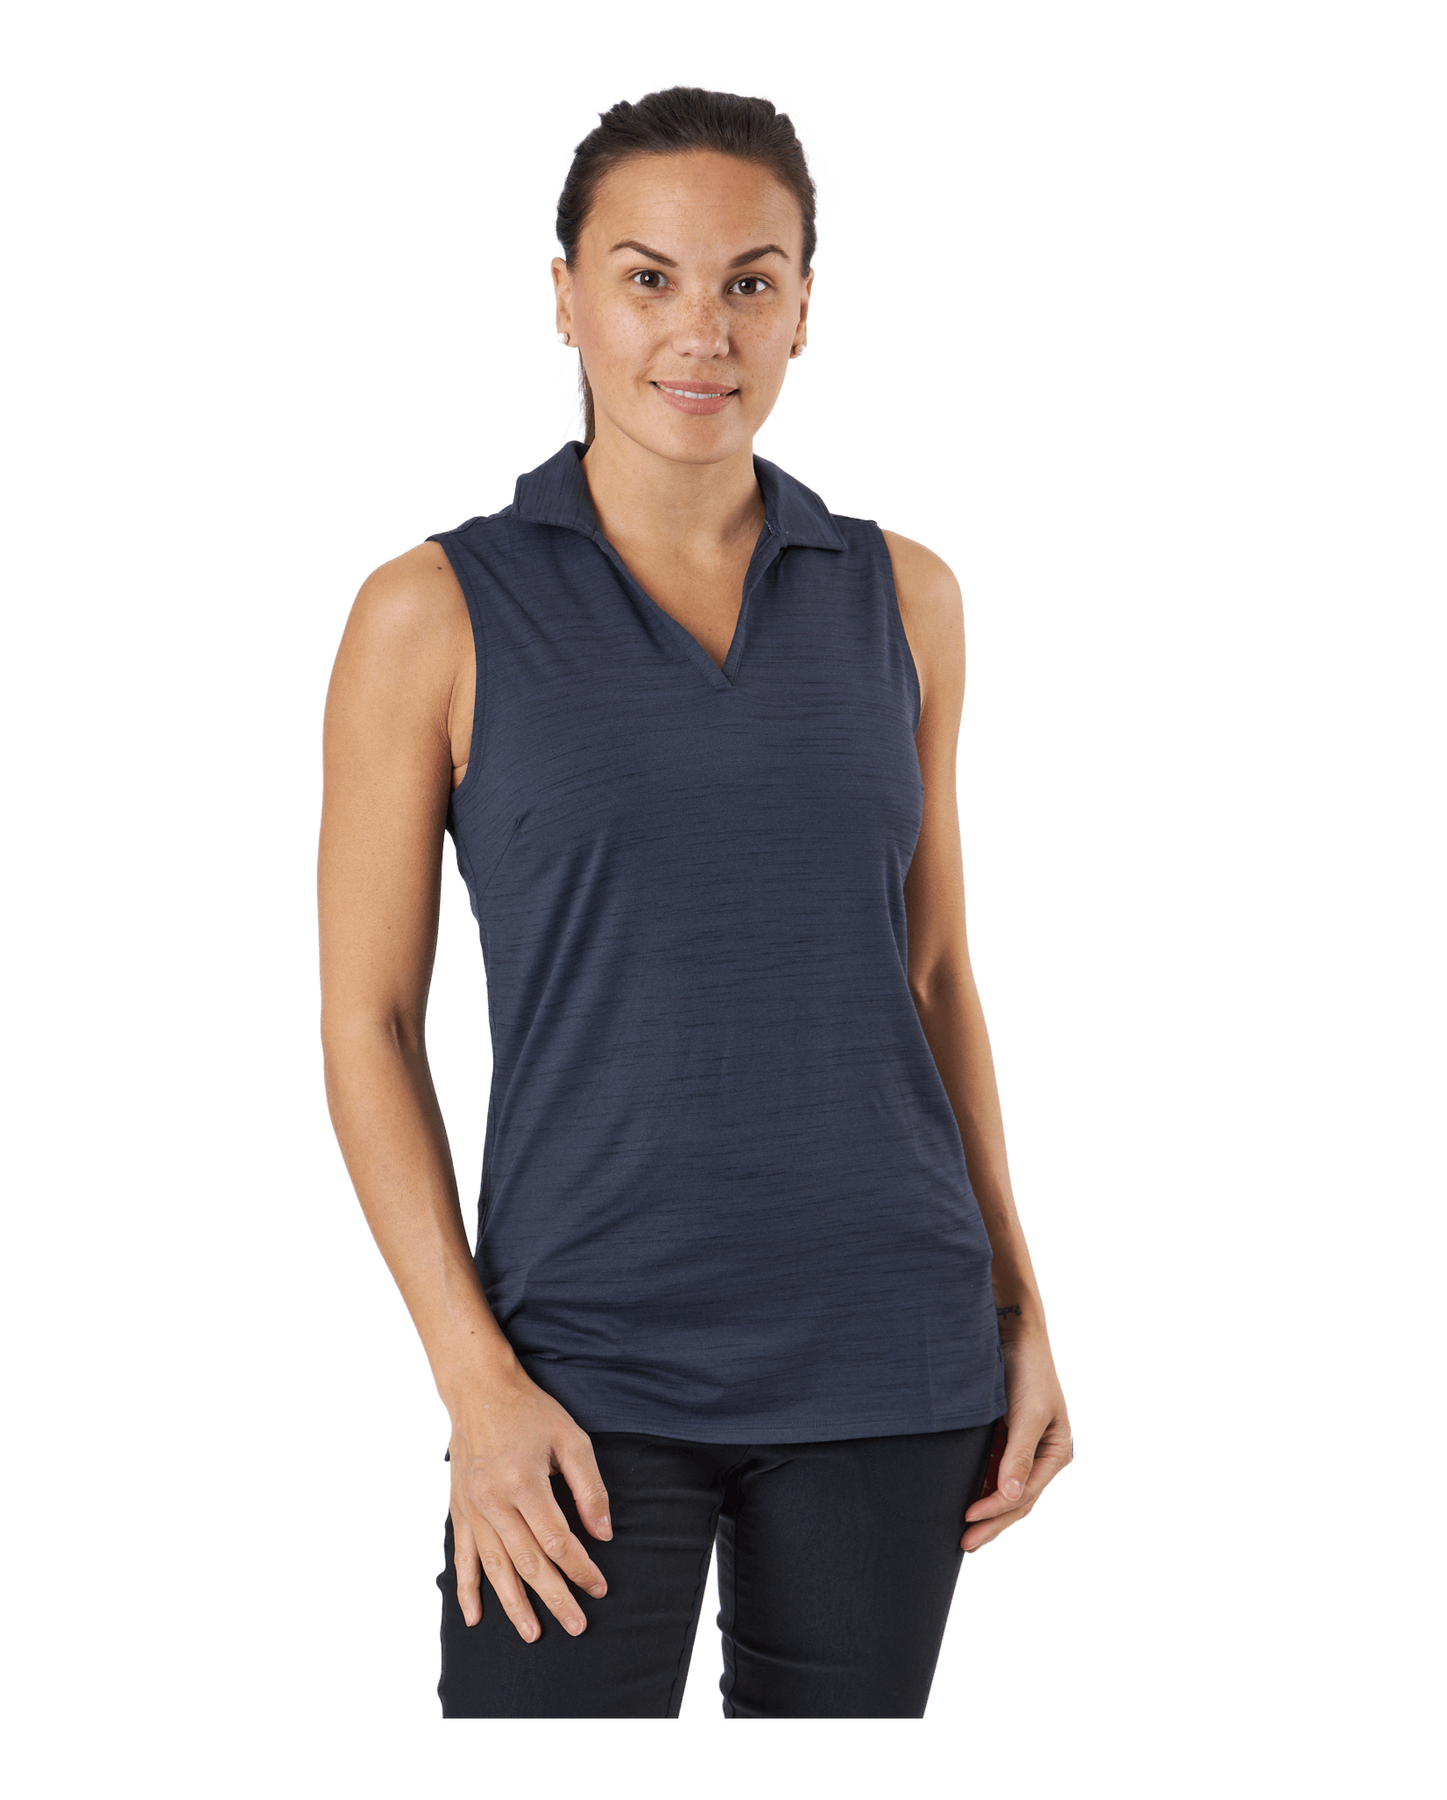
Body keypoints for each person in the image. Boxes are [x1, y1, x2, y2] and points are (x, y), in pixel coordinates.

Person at [315, 81, 1075, 1722]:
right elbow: (368, 1025)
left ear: (804, 303)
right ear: (566, 295)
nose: (701, 332)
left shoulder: (908, 596)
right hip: (578, 1363)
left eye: (750, 280)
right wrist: (473, 1383)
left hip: (889, 1348)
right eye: (649, 277)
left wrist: (1021, 1307)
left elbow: (937, 972)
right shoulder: (429, 611)